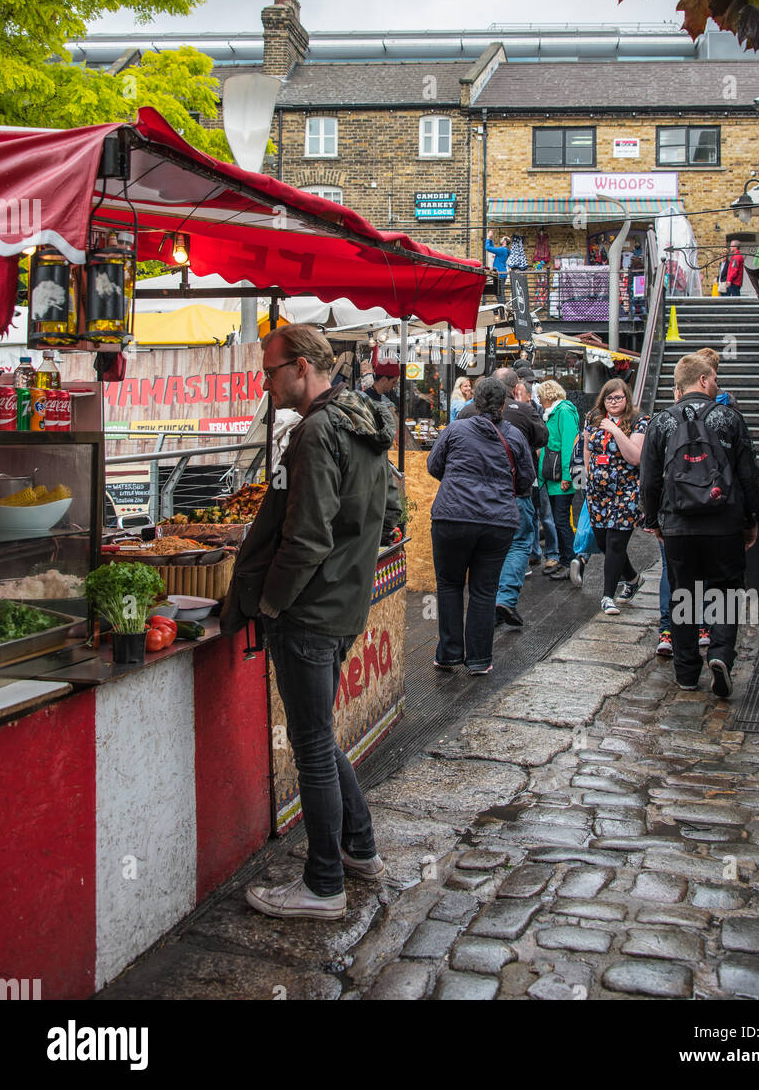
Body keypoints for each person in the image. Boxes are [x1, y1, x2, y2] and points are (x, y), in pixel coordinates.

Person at [220, 325, 400, 921]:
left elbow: (307, 535)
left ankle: (323, 883)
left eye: (271, 370)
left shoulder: (319, 430)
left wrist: (270, 601)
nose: (264, 381)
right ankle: (360, 849)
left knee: (313, 745)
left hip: (310, 610)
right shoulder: (363, 419)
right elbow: (390, 509)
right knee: (320, 737)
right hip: (343, 603)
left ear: (300, 367)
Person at [639, 354, 759, 697]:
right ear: (705, 380)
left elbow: (649, 480)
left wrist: (654, 520)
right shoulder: (729, 417)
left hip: (678, 523)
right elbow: (749, 474)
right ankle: (721, 653)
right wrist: (751, 519)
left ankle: (687, 671)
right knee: (725, 589)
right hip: (724, 521)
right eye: (715, 379)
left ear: (678, 387)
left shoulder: (661, 422)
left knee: (684, 595)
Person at [427, 376, 535, 674]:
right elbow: (526, 481)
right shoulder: (514, 436)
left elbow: (434, 465)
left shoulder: (456, 429)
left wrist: (457, 484)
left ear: (474, 401)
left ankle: (448, 654)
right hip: (497, 522)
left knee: (449, 585)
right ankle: (478, 659)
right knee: (484, 590)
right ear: (504, 403)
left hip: (452, 516)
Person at [459, 366, 548, 628]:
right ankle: (505, 597)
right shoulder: (523, 410)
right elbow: (542, 438)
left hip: (473, 496)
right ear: (514, 387)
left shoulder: (465, 412)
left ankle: (484, 602)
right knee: (519, 542)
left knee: (484, 547)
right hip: (513, 492)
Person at [583, 378, 649, 615]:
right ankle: (632, 578)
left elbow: (635, 457)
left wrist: (615, 431)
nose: (613, 402)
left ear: (627, 398)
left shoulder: (640, 421)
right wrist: (589, 477)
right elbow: (588, 449)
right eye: (609, 398)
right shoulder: (593, 419)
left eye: (618, 397)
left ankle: (607, 596)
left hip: (626, 491)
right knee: (603, 541)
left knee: (616, 542)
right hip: (598, 493)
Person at [536, 379, 580, 580]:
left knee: (562, 522)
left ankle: (571, 561)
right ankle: (565, 561)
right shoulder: (555, 412)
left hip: (560, 478)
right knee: (558, 520)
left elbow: (569, 445)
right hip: (552, 478)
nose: (539, 400)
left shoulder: (563, 412)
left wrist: (567, 476)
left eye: (540, 397)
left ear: (547, 396)